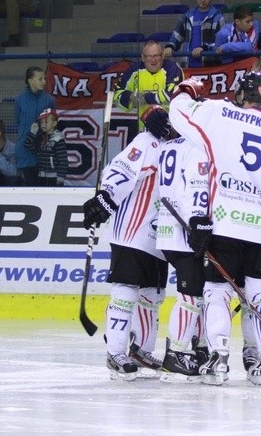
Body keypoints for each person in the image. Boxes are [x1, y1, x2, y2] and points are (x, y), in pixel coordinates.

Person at [168, 72, 261, 386]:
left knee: (216, 293)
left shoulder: (219, 112)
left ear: (240, 94)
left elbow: (177, 114)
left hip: (226, 221)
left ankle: (218, 360)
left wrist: (186, 90)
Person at [82, 105, 172, 379]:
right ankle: (116, 352)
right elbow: (120, 169)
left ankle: (141, 350)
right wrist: (106, 198)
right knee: (127, 289)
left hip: (160, 235)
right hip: (133, 230)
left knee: (153, 296)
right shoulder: (146, 142)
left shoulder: (176, 146)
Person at [155, 92, 211, 381]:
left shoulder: (167, 146)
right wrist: (199, 223)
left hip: (166, 232)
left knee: (196, 294)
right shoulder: (197, 146)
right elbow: (198, 188)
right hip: (185, 232)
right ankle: (176, 353)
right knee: (190, 296)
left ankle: (196, 346)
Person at [114, 40, 184, 123]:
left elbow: (172, 94)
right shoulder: (134, 70)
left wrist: (145, 98)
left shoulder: (172, 68)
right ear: (143, 58)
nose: (153, 60)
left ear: (162, 56)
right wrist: (130, 96)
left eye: (156, 56)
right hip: (143, 128)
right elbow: (116, 94)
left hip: (171, 125)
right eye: (149, 56)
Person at [164, 0, 227, 67]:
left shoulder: (218, 17)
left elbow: (222, 43)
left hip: (210, 67)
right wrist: (170, 47)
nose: (203, 0)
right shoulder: (188, 15)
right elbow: (177, 36)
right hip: (188, 66)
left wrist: (204, 49)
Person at [15, 67, 56, 186]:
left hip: (43, 150)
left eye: (44, 79)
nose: (44, 82)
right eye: (40, 79)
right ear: (30, 80)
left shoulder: (49, 100)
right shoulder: (20, 99)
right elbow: (18, 120)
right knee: (28, 185)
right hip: (25, 149)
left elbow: (53, 120)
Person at [23, 108, 68, 186]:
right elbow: (28, 146)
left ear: (54, 123)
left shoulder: (58, 139)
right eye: (42, 122)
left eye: (46, 122)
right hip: (41, 176)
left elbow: (63, 161)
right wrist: (33, 133)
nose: (43, 124)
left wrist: (60, 177)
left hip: (54, 177)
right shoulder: (41, 137)